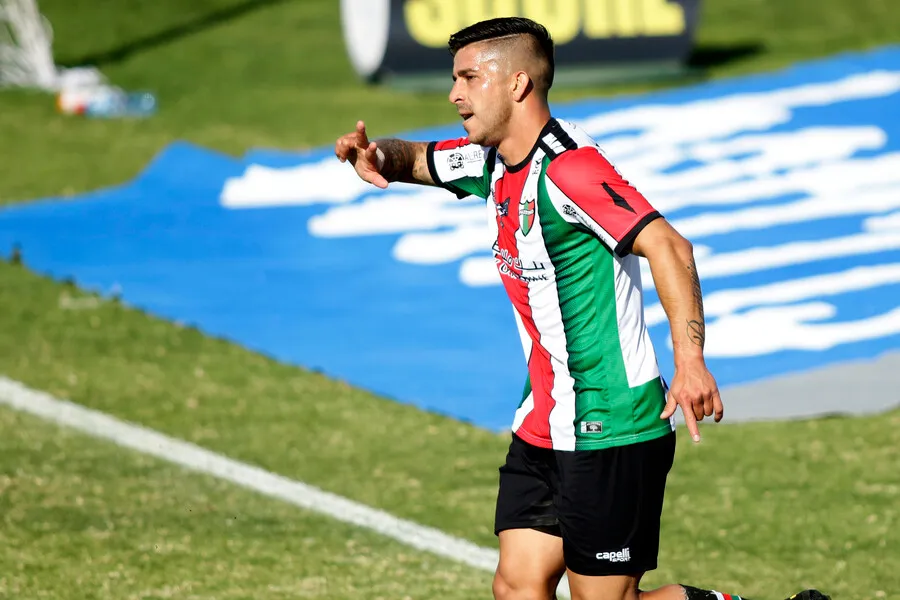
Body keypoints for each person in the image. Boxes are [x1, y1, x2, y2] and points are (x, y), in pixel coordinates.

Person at [334, 16, 828, 600]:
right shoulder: (491, 160)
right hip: (544, 420)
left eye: (468, 78)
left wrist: (690, 362)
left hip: (611, 425)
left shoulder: (570, 171)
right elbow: (417, 159)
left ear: (517, 83)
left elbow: (669, 246)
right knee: (518, 586)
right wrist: (376, 155)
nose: (454, 94)